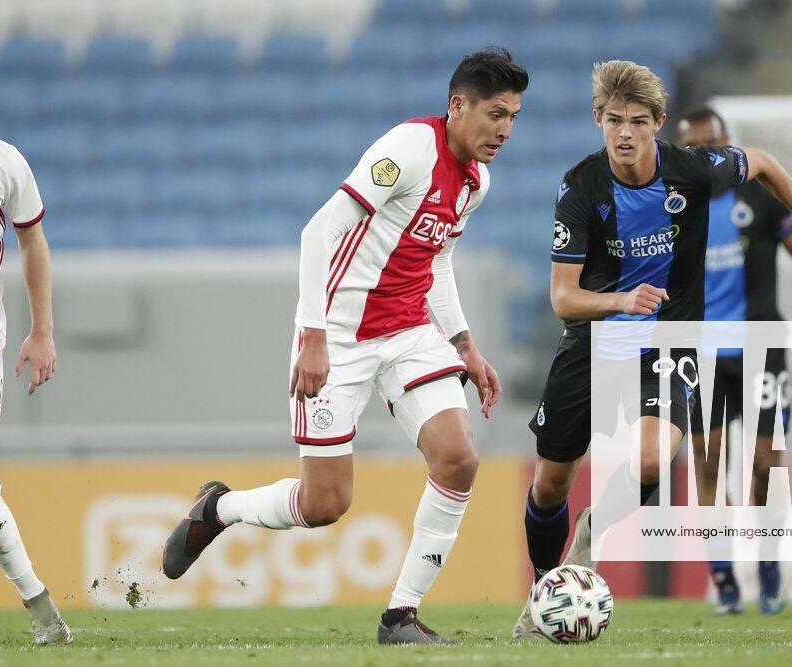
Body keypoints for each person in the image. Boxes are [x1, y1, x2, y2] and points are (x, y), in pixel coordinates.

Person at [162, 47, 527, 645]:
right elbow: (318, 231)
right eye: (495, 113)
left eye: (513, 116)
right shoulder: (409, 150)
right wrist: (312, 334)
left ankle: (400, 616)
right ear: (458, 106)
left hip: (410, 333)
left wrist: (463, 343)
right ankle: (217, 510)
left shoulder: (476, 183)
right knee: (327, 503)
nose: (505, 129)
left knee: (459, 457)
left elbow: (437, 260)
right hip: (338, 337)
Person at [514, 60, 792, 637]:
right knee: (551, 483)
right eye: (615, 121)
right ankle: (547, 588)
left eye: (639, 122)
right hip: (594, 341)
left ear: (659, 124)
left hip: (671, 342)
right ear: (598, 120)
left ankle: (594, 533)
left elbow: (767, 163)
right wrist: (620, 301)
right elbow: (563, 298)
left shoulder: (693, 171)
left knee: (654, 457)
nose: (626, 133)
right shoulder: (580, 188)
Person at [677, 106, 792, 615]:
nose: (705, 157)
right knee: (709, 466)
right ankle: (724, 580)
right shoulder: (673, 209)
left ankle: (768, 565)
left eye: (711, 146)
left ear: (728, 146)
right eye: (693, 149)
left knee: (766, 464)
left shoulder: (762, 199)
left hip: (763, 350)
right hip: (702, 356)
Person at [0, 137, 72, 644]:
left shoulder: (3, 162)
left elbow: (32, 239)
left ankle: (43, 612)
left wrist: (42, 331)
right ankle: (44, 613)